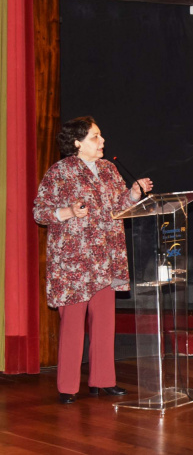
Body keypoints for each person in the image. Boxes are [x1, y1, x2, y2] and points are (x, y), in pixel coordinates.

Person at [33, 116, 153, 404]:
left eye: (100, 136)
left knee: (104, 322)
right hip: (74, 261)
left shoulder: (110, 169)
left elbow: (117, 207)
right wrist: (69, 211)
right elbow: (40, 212)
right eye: (95, 137)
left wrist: (133, 193)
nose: (102, 142)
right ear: (77, 143)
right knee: (73, 324)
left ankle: (103, 380)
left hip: (106, 257)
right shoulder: (59, 172)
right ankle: (68, 386)